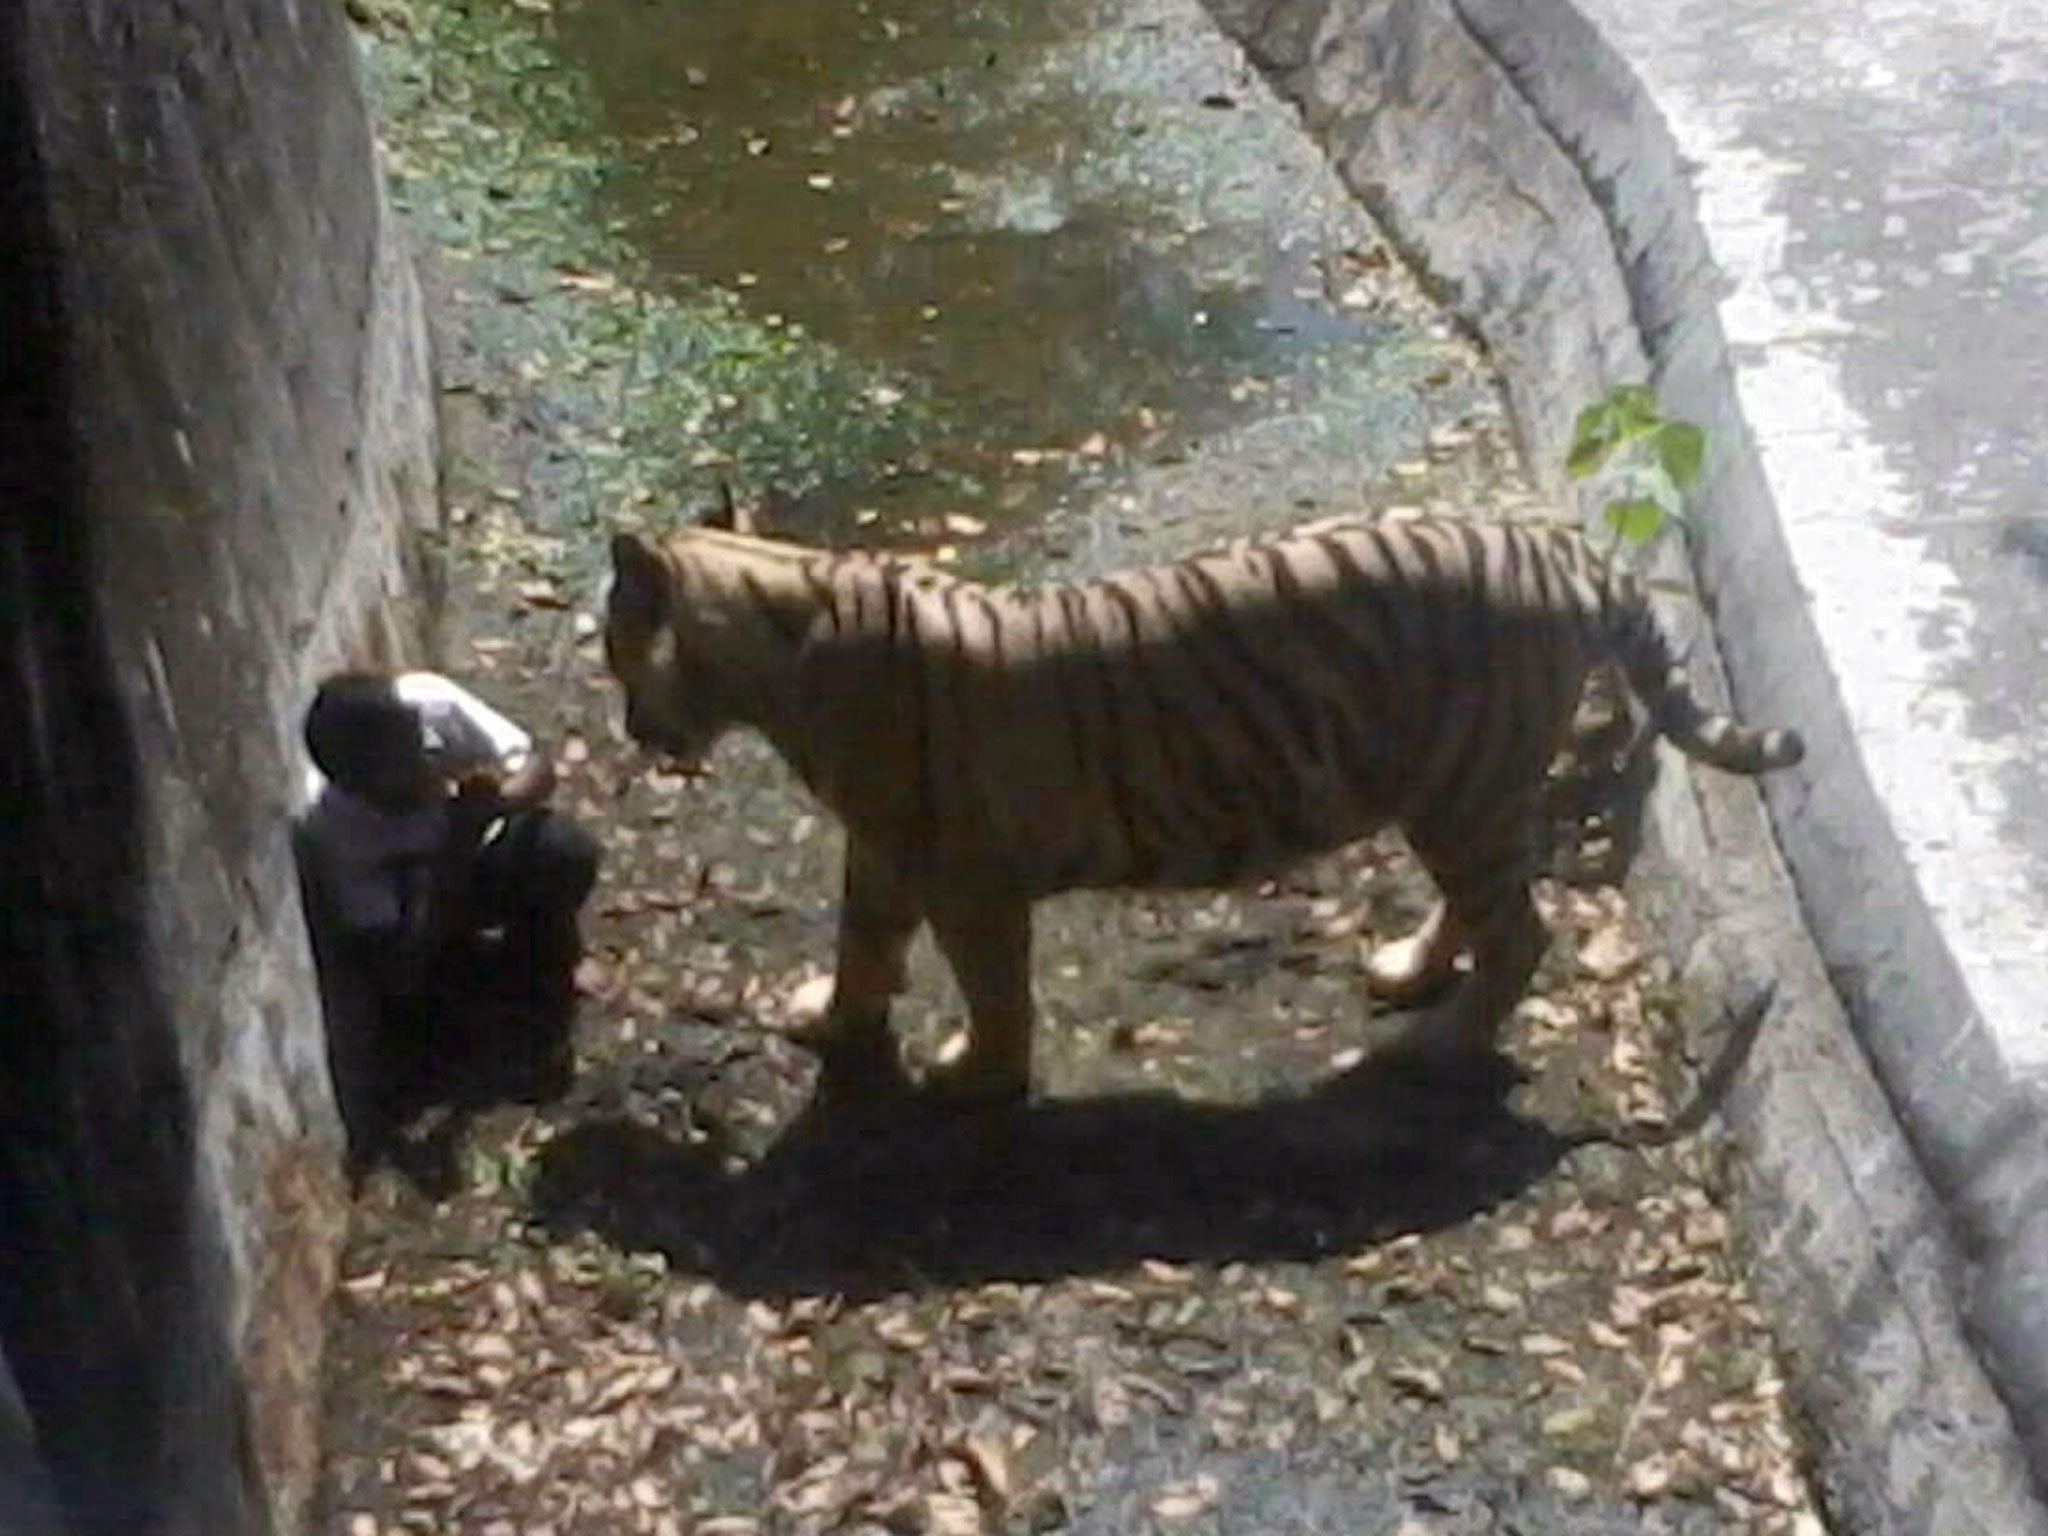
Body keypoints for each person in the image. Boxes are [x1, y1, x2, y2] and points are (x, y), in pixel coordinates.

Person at [293, 669, 598, 1165]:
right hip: (426, 913)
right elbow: (396, 965)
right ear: (356, 783)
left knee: (559, 851)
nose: (421, 768)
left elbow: (537, 768)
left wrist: (494, 805)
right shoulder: (334, 833)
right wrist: (448, 861)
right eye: (398, 768)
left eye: (415, 746)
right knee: (418, 1021)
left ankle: (541, 978)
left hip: (477, 852)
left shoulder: (431, 706)